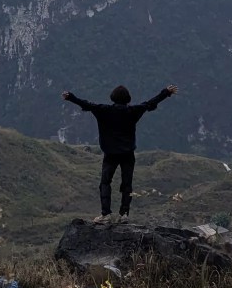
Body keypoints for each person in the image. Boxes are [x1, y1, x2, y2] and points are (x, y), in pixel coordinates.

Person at [62, 83, 178, 224]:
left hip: (110, 154)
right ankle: (124, 215)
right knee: (127, 184)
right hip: (128, 153)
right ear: (128, 99)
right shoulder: (133, 111)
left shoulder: (103, 110)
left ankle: (106, 214)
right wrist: (166, 92)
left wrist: (71, 97)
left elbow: (87, 104)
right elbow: (149, 104)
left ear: (112, 98)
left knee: (105, 182)